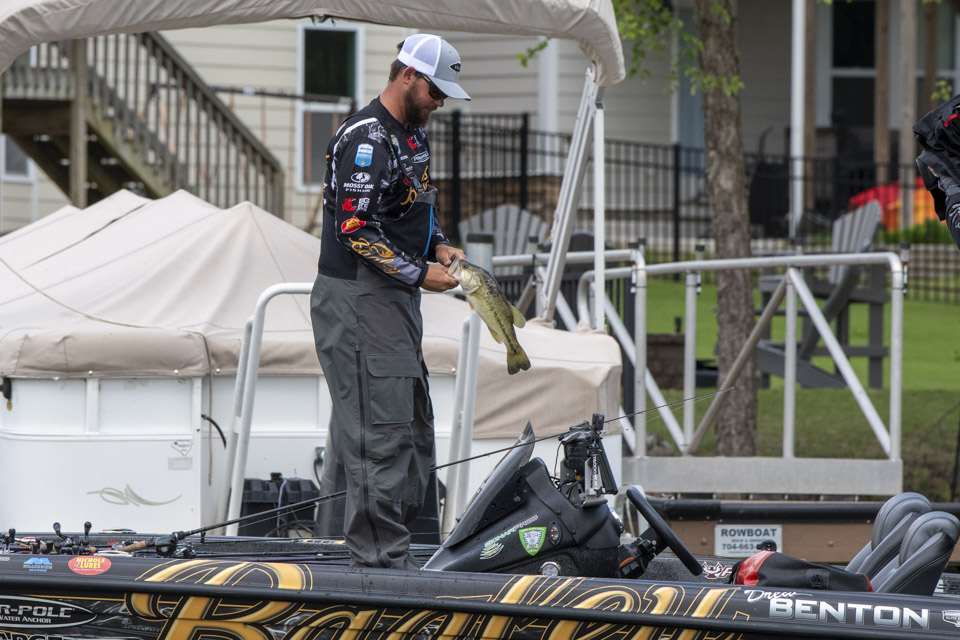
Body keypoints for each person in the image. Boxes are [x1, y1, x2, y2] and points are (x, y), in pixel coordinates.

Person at [310, 34, 469, 569]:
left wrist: (439, 245)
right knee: (379, 435)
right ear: (408, 76)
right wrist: (420, 273)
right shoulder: (366, 139)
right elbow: (354, 227)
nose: (441, 102)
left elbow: (416, 206)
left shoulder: (413, 135)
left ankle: (396, 554)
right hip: (359, 300)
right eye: (436, 91)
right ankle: (379, 565)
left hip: (393, 301)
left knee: (411, 427)